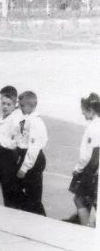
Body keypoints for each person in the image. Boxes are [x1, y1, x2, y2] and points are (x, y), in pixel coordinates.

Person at [63, 93, 100, 226]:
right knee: (92, 200)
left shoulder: (93, 127)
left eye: (83, 111)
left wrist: (77, 169)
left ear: (90, 110)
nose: (83, 115)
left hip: (92, 168)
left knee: (79, 198)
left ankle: (84, 229)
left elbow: (87, 155)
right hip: (96, 170)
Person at [15, 90, 48, 216]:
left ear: (32, 106)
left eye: (22, 106)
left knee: (34, 196)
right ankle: (28, 214)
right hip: (28, 156)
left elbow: (34, 147)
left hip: (33, 159)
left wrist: (24, 167)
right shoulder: (28, 119)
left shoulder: (35, 122)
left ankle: (42, 220)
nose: (20, 108)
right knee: (20, 189)